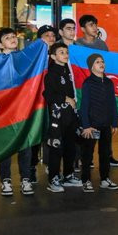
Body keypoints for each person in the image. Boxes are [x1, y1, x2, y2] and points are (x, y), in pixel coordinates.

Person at [0, 27, 35, 197]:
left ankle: (26, 179)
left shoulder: (23, 59)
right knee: (6, 146)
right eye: (7, 37)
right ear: (0, 45)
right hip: (3, 111)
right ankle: (6, 180)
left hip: (22, 109)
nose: (12, 39)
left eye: (13, 36)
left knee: (25, 145)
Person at [78, 53, 118, 192]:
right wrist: (86, 125)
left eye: (102, 61)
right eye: (97, 62)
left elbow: (113, 104)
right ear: (91, 66)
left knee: (105, 153)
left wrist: (114, 123)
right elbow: (84, 106)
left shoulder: (108, 82)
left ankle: (104, 179)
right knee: (87, 154)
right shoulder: (88, 83)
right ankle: (86, 180)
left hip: (106, 124)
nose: (101, 64)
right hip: (92, 126)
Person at [44, 42, 81, 192]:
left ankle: (68, 175)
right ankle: (53, 178)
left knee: (70, 147)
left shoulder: (67, 71)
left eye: (66, 52)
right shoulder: (51, 74)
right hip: (57, 117)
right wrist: (65, 98)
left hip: (70, 116)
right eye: (61, 52)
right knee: (56, 147)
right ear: (53, 56)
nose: (65, 55)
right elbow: (48, 95)